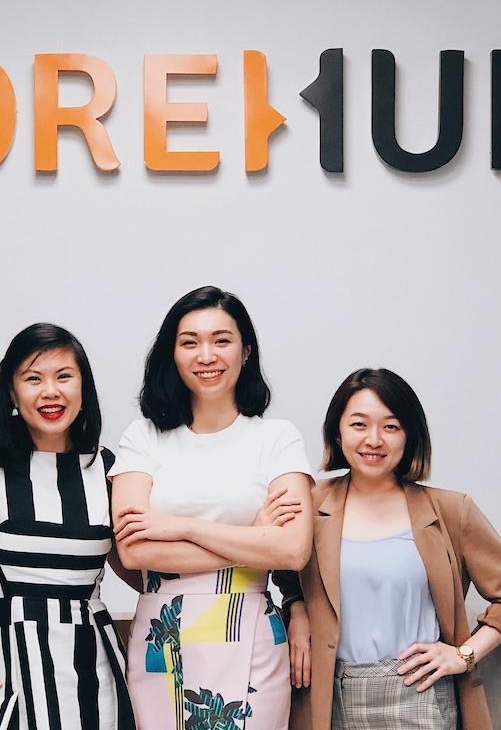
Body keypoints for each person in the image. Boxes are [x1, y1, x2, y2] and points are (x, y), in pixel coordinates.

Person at [274, 368, 501, 730]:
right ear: (337, 432)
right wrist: (298, 610)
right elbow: (286, 572)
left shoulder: (451, 510)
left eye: (391, 427)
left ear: (409, 435)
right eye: (359, 424)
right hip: (325, 699)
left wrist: (464, 654)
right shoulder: (309, 503)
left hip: (419, 695)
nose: (374, 440)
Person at [0, 323, 140, 730]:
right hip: (0, 674)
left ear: (83, 388)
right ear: (12, 393)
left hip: (91, 676)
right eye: (33, 379)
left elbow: (139, 570)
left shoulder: (108, 469)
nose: (51, 391)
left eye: (64, 376)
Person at [109, 285, 314, 730]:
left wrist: (179, 527)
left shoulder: (277, 439)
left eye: (222, 340)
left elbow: (293, 550)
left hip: (251, 635)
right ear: (172, 354)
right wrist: (254, 541)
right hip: (164, 637)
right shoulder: (142, 437)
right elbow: (134, 551)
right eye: (190, 342)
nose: (207, 355)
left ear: (245, 352)